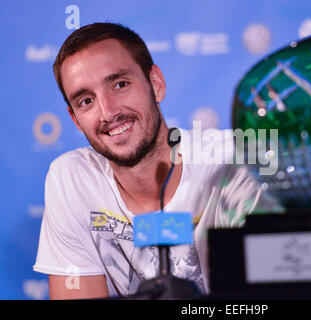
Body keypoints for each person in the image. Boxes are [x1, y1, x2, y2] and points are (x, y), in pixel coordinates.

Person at [33, 22, 281, 299]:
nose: (107, 112)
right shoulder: (72, 177)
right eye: (86, 101)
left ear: (156, 84)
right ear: (75, 120)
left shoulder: (238, 162)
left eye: (120, 84)